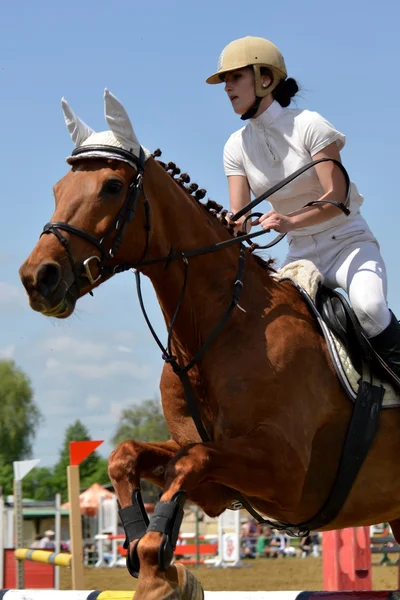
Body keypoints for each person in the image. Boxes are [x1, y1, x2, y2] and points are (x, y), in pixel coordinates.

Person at [206, 36, 400, 381]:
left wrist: (289, 220)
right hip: (300, 257)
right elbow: (241, 217)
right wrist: (232, 223)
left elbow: (337, 199)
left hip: (347, 243)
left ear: (265, 78)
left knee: (369, 308)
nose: (227, 87)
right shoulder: (235, 146)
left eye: (235, 77)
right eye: (225, 80)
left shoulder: (310, 124)